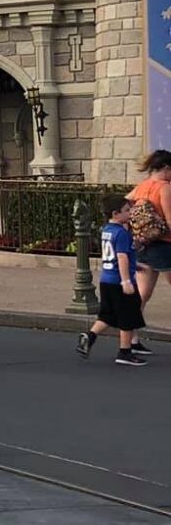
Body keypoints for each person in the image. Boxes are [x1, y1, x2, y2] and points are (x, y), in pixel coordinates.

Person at [77, 197, 149, 366]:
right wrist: (126, 281)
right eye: (126, 210)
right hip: (119, 281)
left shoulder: (106, 229)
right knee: (128, 316)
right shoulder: (122, 233)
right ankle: (124, 352)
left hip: (106, 279)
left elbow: (116, 255)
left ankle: (90, 335)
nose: (130, 213)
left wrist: (134, 265)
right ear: (116, 214)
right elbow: (121, 257)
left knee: (108, 314)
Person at [126, 150, 171, 316]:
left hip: (142, 243)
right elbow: (170, 220)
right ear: (166, 168)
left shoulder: (142, 186)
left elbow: (126, 200)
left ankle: (130, 332)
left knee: (142, 295)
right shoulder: (164, 188)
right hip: (163, 244)